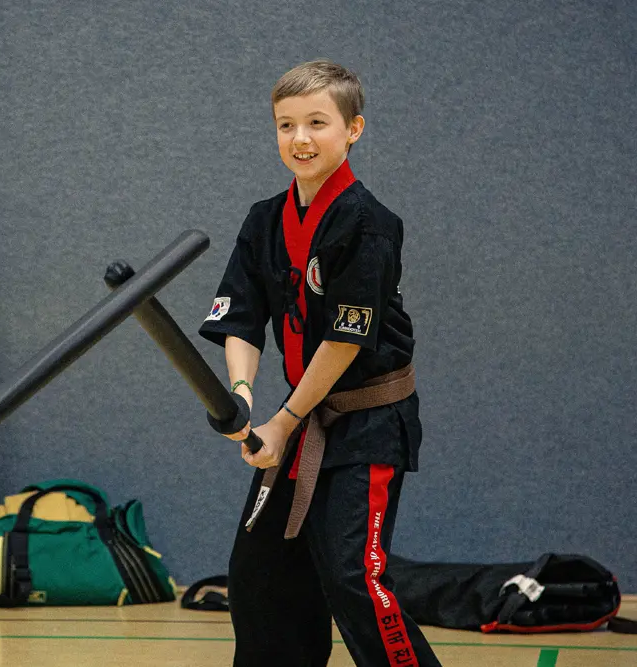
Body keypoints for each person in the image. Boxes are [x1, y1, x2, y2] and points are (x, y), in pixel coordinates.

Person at [199, 60, 441, 667]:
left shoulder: (369, 225)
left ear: (353, 129)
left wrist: (281, 421)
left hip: (366, 422)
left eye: (316, 122)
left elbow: (343, 341)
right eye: (285, 125)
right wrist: (244, 398)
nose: (299, 138)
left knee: (355, 576)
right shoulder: (264, 220)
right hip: (298, 415)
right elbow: (241, 319)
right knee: (259, 575)